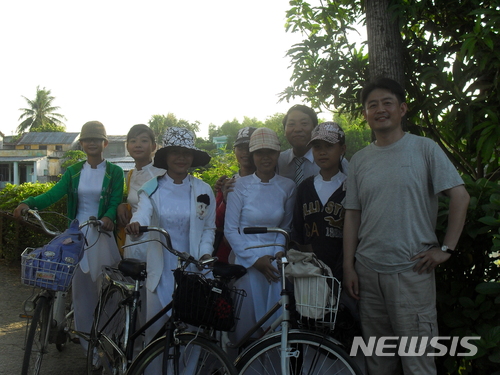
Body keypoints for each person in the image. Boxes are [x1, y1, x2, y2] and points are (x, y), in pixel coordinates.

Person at [343, 77, 470, 375]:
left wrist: (446, 249)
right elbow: (352, 214)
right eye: (372, 105)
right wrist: (349, 266)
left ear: (402, 109)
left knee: (418, 363)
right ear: (365, 114)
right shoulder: (360, 160)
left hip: (412, 272)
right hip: (368, 274)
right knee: (378, 363)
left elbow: (460, 197)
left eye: (387, 103)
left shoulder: (425, 149)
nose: (380, 109)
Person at [13, 121, 124, 350]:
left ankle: (108, 340)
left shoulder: (116, 172)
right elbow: (53, 194)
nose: (91, 143)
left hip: (101, 235)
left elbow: (114, 202)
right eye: (87, 139)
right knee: (82, 293)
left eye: (96, 139)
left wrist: (108, 218)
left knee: (106, 292)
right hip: (77, 236)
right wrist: (29, 203)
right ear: (82, 144)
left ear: (104, 143)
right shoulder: (73, 172)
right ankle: (88, 345)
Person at [125, 127, 215, 346]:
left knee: (191, 335)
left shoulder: (203, 189)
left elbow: (209, 228)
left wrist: (205, 254)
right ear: (166, 156)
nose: (181, 158)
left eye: (186, 153)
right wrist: (137, 225)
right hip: (161, 271)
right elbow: (143, 213)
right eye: (175, 152)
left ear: (193, 157)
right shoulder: (151, 188)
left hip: (194, 270)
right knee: (156, 336)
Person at [224, 127, 296, 342]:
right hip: (246, 262)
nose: (265, 158)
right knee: (247, 326)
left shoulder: (288, 186)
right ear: (252, 155)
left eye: (270, 152)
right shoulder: (238, 186)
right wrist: (254, 260)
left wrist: (275, 255)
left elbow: (286, 227)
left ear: (278, 154)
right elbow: (230, 229)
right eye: (259, 153)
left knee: (274, 323)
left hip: (274, 264)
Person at [291, 121, 347, 280]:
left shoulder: (350, 187)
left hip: (342, 268)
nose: (322, 152)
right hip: (309, 270)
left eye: (329, 146)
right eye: (317, 147)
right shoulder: (305, 188)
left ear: (342, 149)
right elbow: (297, 229)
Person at [116, 124, 165, 259]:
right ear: (127, 146)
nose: (138, 145)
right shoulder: (131, 175)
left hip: (157, 241)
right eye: (133, 141)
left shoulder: (163, 174)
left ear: (154, 146)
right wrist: (122, 206)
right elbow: (134, 203)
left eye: (144, 141)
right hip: (133, 239)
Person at [213, 126, 257, 263]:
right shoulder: (227, 183)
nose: (245, 152)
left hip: (259, 248)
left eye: (249, 147)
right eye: (241, 148)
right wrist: (225, 200)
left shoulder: (270, 183)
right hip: (227, 254)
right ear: (234, 151)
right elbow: (214, 222)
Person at [278, 104, 348, 184]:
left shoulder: (336, 161)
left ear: (315, 128)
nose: (297, 129)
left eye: (304, 123)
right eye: (291, 124)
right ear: (284, 130)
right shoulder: (278, 161)